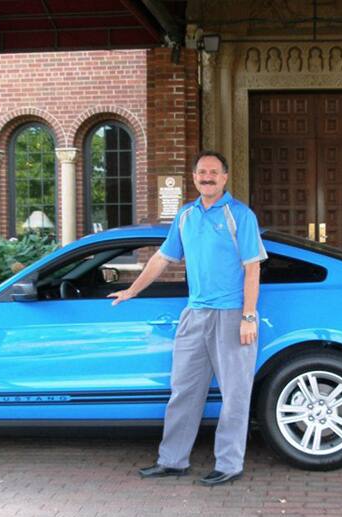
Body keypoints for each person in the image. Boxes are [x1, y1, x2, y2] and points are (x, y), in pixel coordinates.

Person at [108, 150, 267, 486]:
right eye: (200, 172)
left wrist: (249, 316)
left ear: (225, 177)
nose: (206, 177)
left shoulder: (240, 215)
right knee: (184, 391)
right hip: (194, 314)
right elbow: (162, 259)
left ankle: (229, 464)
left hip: (232, 314)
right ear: (194, 177)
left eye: (213, 172)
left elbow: (252, 268)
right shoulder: (185, 216)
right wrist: (132, 290)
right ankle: (173, 460)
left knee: (235, 394)